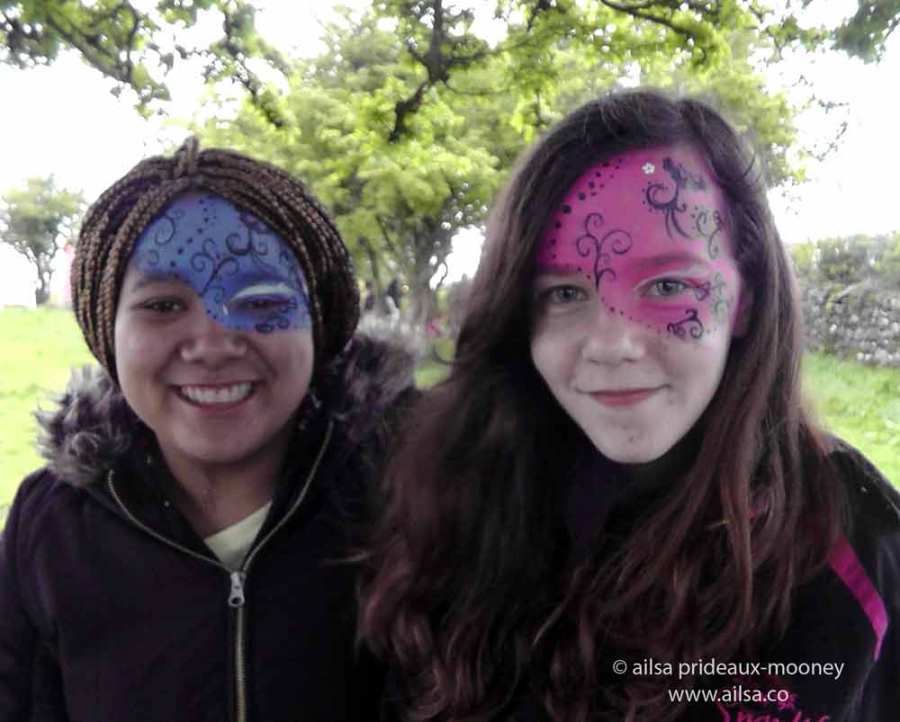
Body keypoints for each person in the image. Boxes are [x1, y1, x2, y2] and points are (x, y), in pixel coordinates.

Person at [359, 90, 900, 722]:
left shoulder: (841, 538)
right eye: (564, 292)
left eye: (669, 286)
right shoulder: (454, 493)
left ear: (745, 298)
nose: (612, 344)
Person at [0, 138, 413, 722]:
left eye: (261, 298)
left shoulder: (416, 503)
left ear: (319, 323)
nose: (213, 345)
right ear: (105, 329)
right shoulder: (48, 528)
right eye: (164, 306)